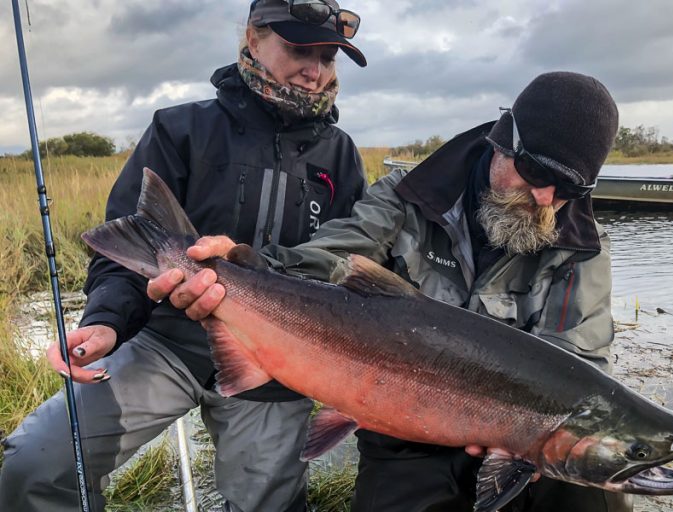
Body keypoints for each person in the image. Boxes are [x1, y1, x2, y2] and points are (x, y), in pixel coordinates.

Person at [150, 71, 633, 512]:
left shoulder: (582, 245)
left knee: (604, 503)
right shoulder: (405, 198)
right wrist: (244, 267)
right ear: (503, 142)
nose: (547, 198)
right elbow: (328, 259)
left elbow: (581, 371)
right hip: (400, 435)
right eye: (537, 174)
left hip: (521, 437)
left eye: (570, 187)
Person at [0, 1, 368, 511]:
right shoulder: (180, 130)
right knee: (35, 464)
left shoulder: (343, 157)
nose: (315, 69)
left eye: (329, 57)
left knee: (271, 504)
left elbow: (345, 273)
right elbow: (124, 257)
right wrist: (106, 321)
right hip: (165, 342)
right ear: (253, 39)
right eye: (300, 49)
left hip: (276, 370)